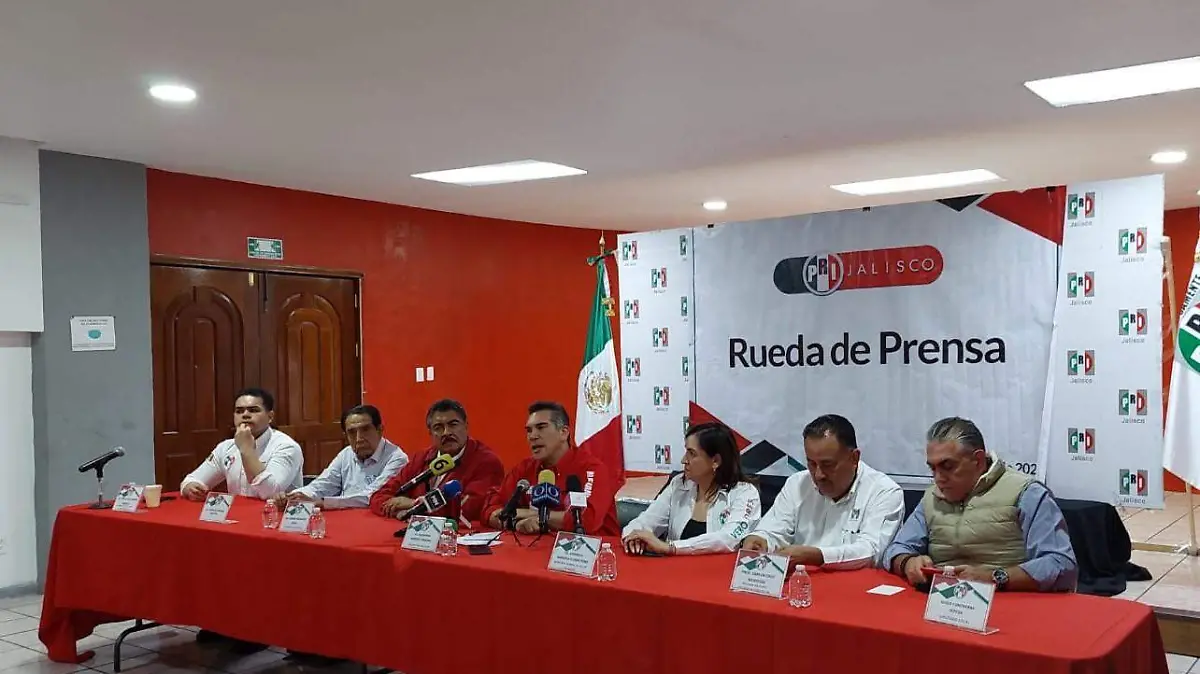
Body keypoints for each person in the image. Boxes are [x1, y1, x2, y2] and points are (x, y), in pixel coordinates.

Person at [883, 417, 1078, 592]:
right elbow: (895, 549)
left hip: (1009, 599)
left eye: (948, 466)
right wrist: (907, 562)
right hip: (944, 601)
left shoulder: (1026, 493)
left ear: (977, 460)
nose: (939, 478)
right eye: (932, 468)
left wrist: (995, 578)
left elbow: (1060, 564)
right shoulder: (931, 497)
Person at [741, 414, 904, 570]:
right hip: (799, 581)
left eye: (828, 465)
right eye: (811, 463)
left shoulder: (884, 492)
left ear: (854, 458)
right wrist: (759, 539)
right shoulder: (797, 483)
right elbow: (772, 531)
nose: (819, 475)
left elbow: (871, 552)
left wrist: (817, 556)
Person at [482, 401, 621, 536]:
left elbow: (587, 520)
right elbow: (490, 509)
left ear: (564, 432)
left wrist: (537, 516)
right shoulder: (525, 469)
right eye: (529, 431)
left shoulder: (592, 468)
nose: (532, 436)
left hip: (593, 549)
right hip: (536, 547)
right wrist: (514, 523)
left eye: (541, 428)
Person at [622, 422, 761, 555]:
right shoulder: (679, 484)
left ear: (715, 461)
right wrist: (634, 537)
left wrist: (671, 548)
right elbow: (644, 522)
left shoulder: (745, 493)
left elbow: (729, 539)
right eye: (686, 452)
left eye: (692, 453)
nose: (684, 460)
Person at [369, 399, 503, 526]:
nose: (446, 432)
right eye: (438, 427)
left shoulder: (486, 462)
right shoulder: (422, 458)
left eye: (453, 425)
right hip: (417, 535)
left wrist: (414, 505)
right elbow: (379, 496)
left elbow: (466, 509)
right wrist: (399, 511)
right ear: (430, 432)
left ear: (466, 426)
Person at [275, 404, 408, 510]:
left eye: (365, 429)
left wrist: (324, 502)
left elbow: (373, 496)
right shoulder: (347, 454)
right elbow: (323, 485)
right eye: (352, 432)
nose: (359, 438)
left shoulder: (397, 458)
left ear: (379, 430)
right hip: (345, 518)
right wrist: (294, 496)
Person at [180, 388, 302, 500]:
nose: (245, 415)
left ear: (270, 416)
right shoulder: (226, 447)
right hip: (237, 514)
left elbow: (270, 493)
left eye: (253, 410)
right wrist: (191, 487)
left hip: (275, 515)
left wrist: (246, 450)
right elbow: (191, 479)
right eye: (239, 411)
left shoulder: (286, 447)